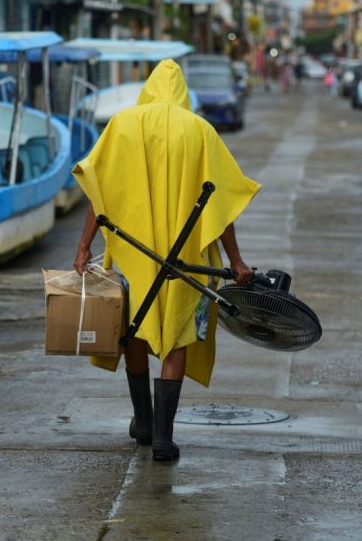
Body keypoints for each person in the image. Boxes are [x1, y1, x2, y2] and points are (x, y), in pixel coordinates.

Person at [73, 59, 260, 463]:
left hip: (133, 254)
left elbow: (98, 193)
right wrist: (237, 261)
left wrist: (84, 247)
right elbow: (221, 205)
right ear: (181, 92)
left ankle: (142, 423)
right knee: (176, 337)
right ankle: (161, 438)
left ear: (149, 89)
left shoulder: (122, 125)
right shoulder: (200, 131)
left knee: (135, 331)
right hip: (185, 259)